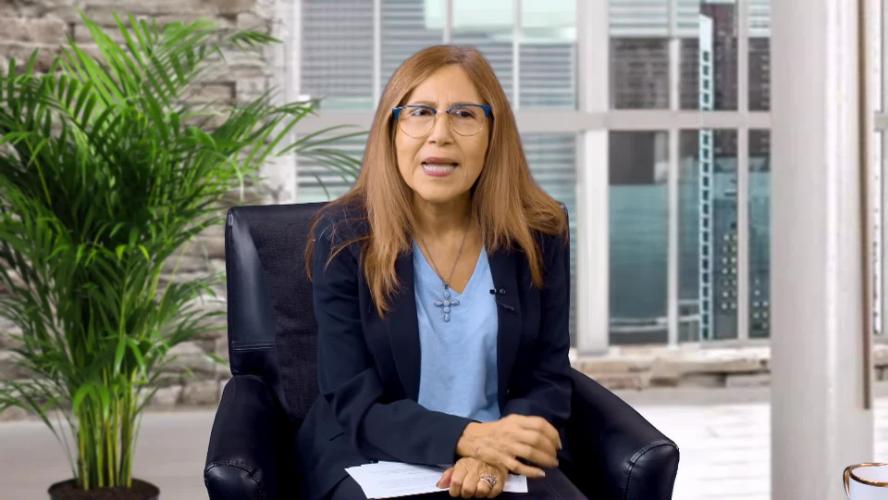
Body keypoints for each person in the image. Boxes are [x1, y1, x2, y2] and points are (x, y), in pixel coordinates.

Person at [298, 45, 584, 499]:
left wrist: (494, 451)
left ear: (493, 133)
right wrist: (467, 439)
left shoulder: (539, 232)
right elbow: (353, 401)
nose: (439, 135)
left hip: (501, 456)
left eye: (464, 114)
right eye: (420, 112)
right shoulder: (345, 236)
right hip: (375, 454)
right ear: (392, 130)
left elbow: (547, 376)